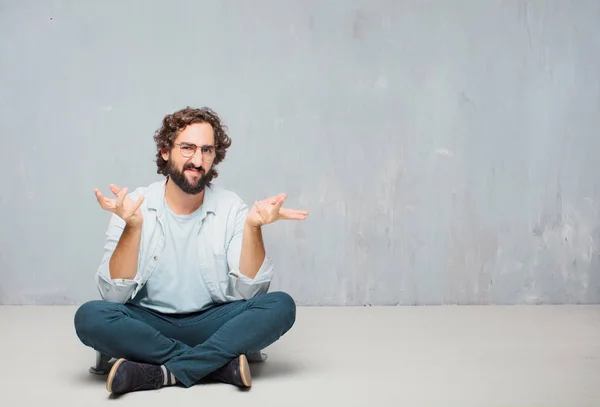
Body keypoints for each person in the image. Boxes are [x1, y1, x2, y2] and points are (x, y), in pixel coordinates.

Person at [74, 106, 308, 395]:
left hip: (212, 321)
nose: (198, 160)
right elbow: (113, 296)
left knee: (280, 305)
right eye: (187, 148)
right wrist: (132, 227)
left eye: (207, 150)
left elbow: (251, 294)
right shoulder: (133, 205)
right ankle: (217, 365)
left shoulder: (231, 207)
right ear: (164, 151)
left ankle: (159, 374)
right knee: (90, 317)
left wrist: (253, 227)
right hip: (148, 322)